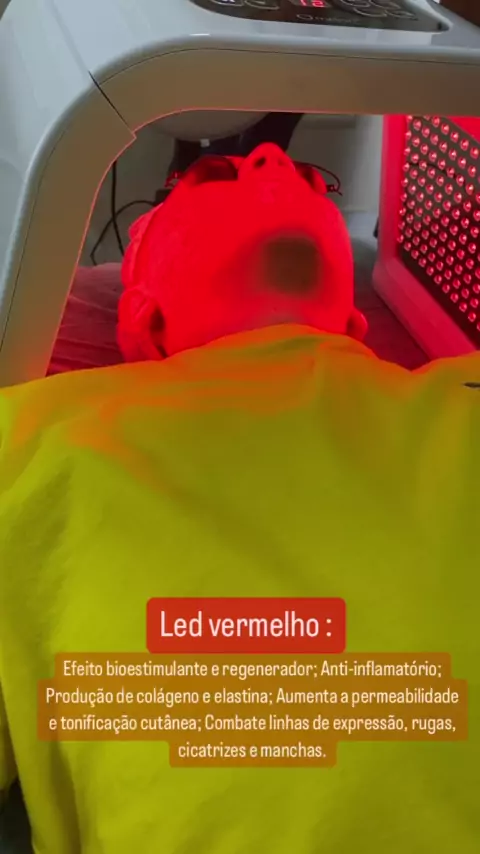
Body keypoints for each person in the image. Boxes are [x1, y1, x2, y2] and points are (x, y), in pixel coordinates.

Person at [0, 132, 479, 853]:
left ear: (353, 328)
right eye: (209, 175)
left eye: (314, 179)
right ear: (149, 326)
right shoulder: (34, 436)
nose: (270, 158)